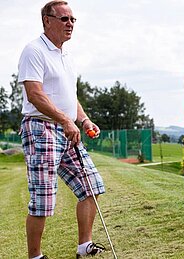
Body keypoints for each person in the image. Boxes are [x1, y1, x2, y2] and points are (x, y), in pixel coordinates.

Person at [18, 1, 106, 258]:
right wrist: (65, 120)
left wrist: (84, 120)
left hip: (68, 131)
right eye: (64, 19)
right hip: (40, 127)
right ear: (47, 20)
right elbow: (35, 95)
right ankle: (35, 256)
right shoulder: (34, 51)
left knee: (92, 186)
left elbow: (69, 96)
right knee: (43, 200)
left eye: (73, 20)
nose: (70, 24)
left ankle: (84, 247)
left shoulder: (67, 56)